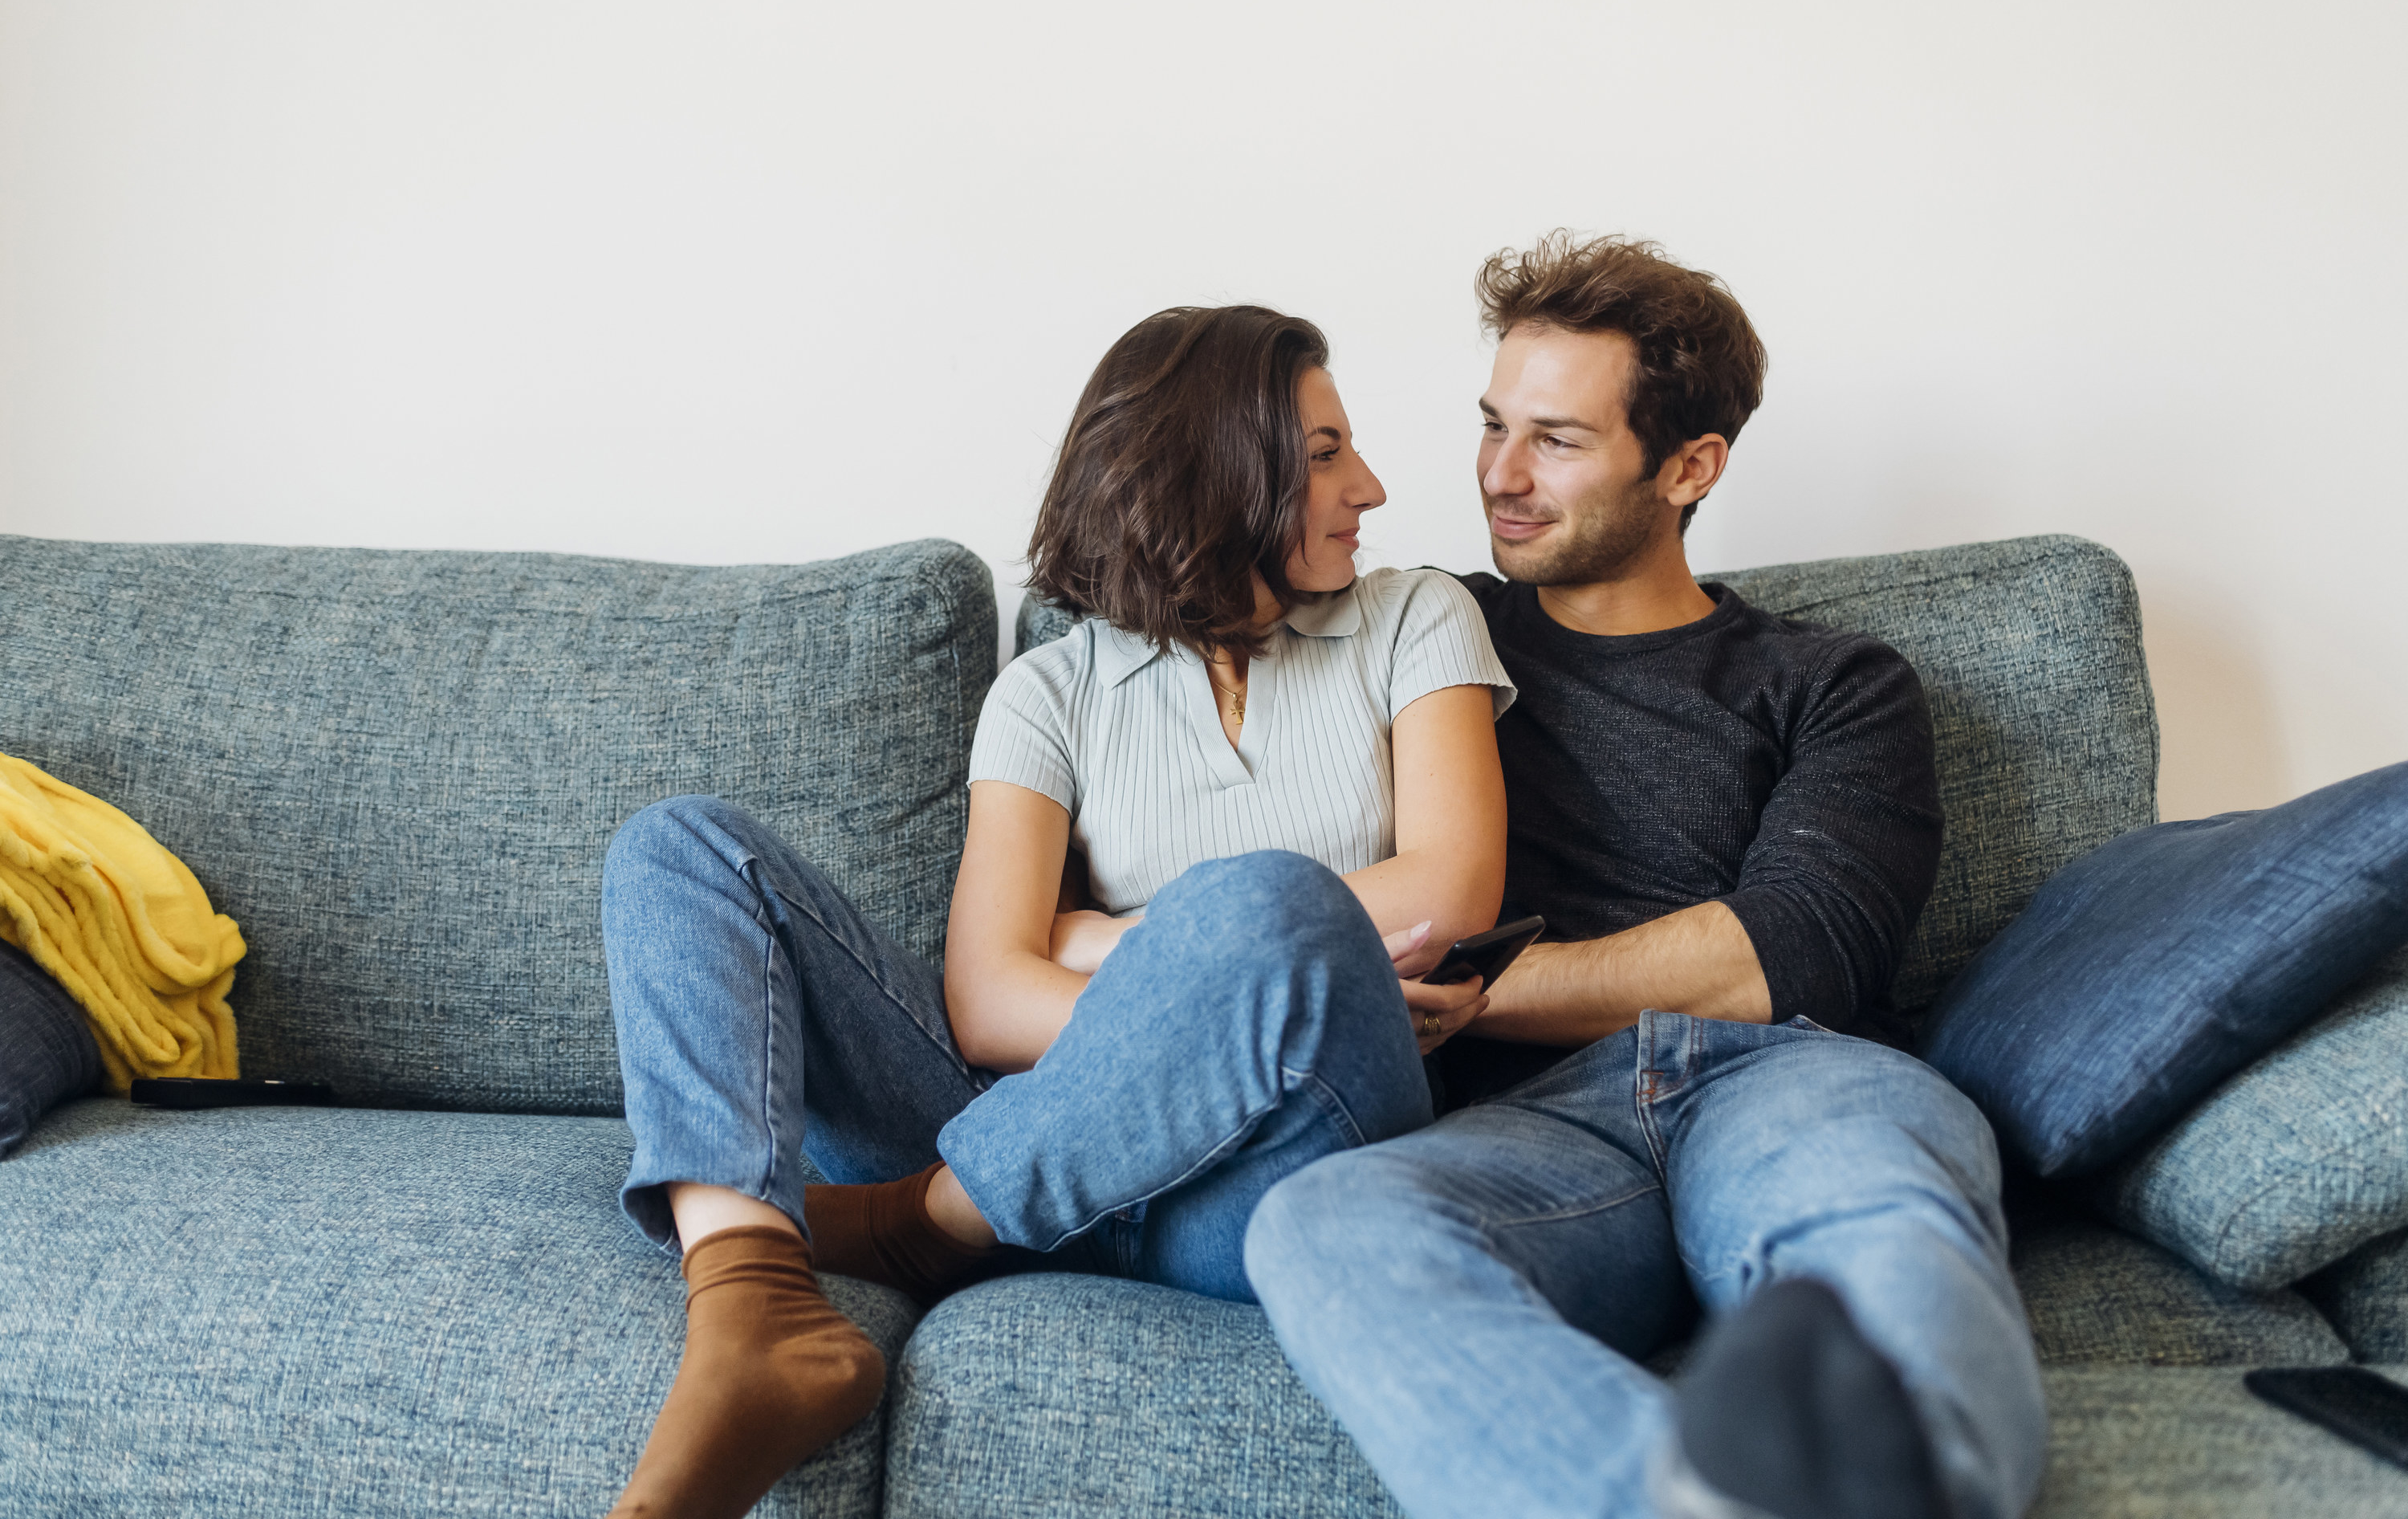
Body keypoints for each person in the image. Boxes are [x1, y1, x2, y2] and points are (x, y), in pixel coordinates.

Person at [598, 303, 1517, 1519]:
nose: (1374, 486)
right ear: (1217, 468)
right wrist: (1217, 974)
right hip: (1028, 1117)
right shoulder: (1051, 690)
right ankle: (752, 1303)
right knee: (679, 848)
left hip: (1260, 1180)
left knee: (1274, 903)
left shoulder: (1417, 618)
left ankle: (925, 1224)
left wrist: (1120, 940)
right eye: (1326, 452)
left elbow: (1451, 886)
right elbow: (985, 1002)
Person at [1243, 234, 2048, 1519]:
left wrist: (1484, 992)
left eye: (1555, 441)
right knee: (1319, 1225)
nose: (1499, 477)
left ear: (1690, 467)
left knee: (1876, 1229)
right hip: (1534, 1138)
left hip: (1790, 1079)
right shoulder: (1414, 635)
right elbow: (1183, 587)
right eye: (1493, 425)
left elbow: (1790, 955)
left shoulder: (1834, 682)